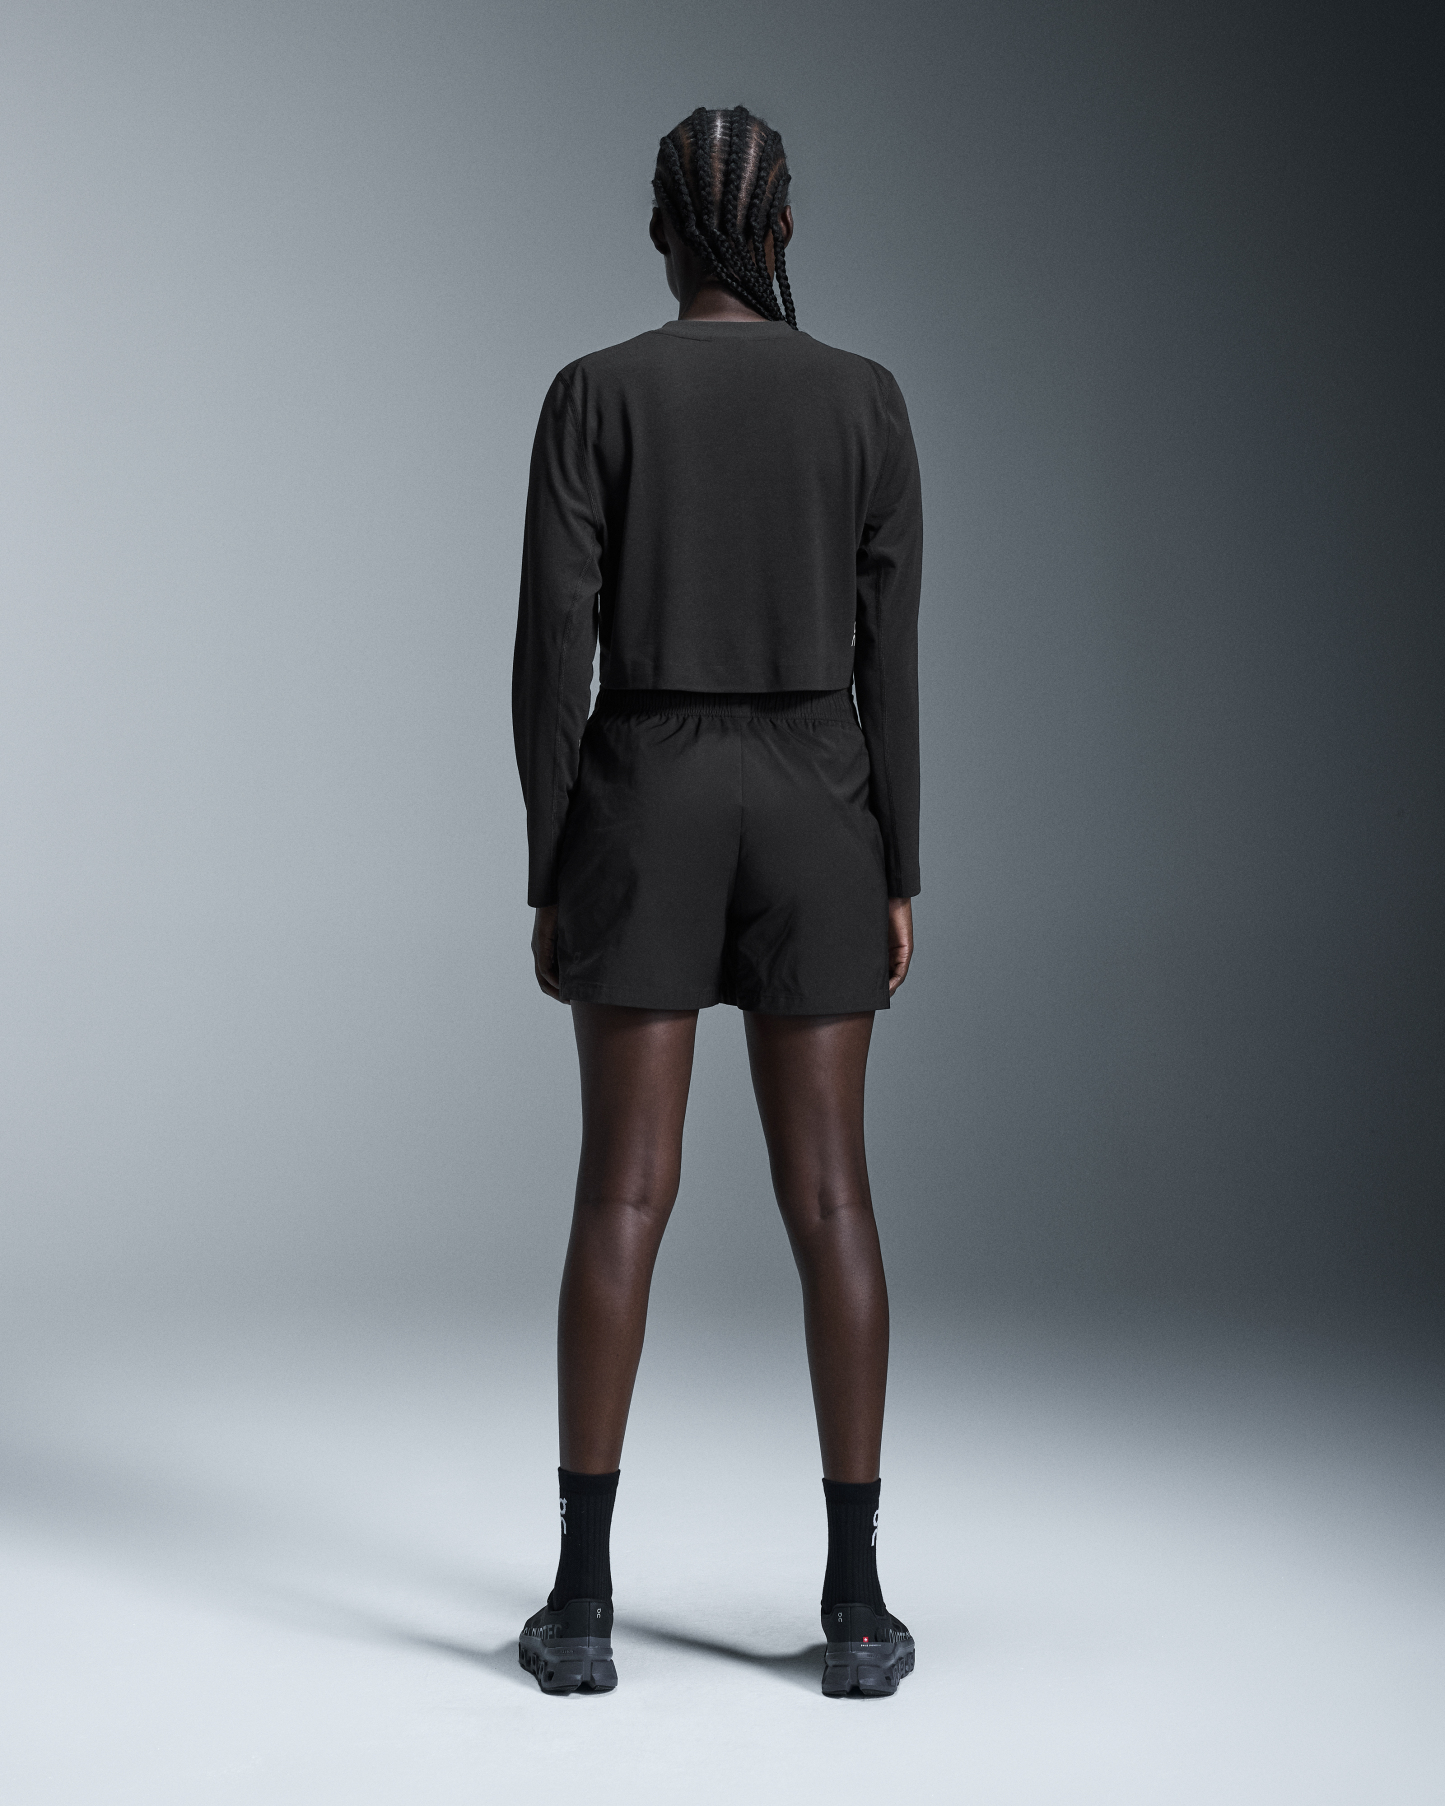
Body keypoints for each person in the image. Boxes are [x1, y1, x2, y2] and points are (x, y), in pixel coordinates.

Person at [511, 105, 922, 1699]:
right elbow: (890, 658)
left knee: (622, 1191)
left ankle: (581, 1602)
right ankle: (857, 1606)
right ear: (783, 229)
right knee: (833, 1199)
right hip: (819, 794)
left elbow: (552, 654)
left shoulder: (595, 392)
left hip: (646, 791)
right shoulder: (865, 399)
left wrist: (554, 860)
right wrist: (897, 864)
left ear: (659, 231)